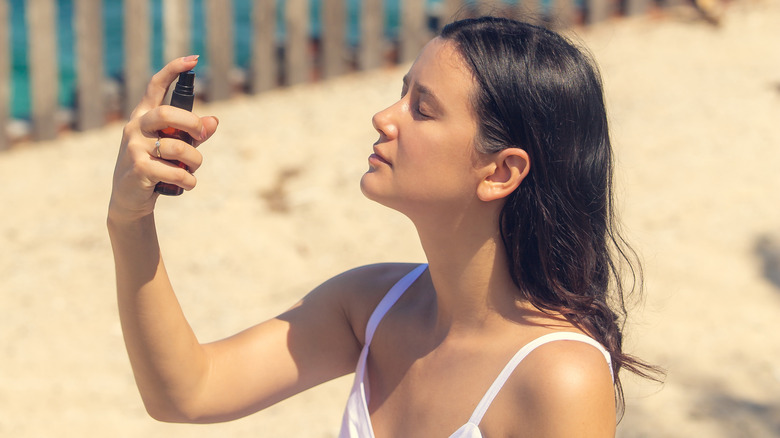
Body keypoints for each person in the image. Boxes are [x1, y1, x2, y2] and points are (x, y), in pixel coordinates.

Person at [108, 16, 658, 437]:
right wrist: (129, 220)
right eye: (402, 92)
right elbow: (187, 392)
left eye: (423, 109)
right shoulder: (372, 304)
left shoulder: (560, 377)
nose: (384, 117)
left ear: (500, 172)